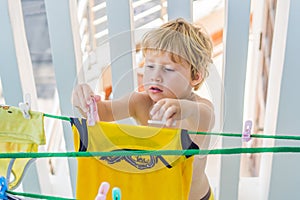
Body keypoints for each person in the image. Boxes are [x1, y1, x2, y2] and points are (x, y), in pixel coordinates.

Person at [72, 18, 215, 200]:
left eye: (168, 69)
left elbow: (204, 115)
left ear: (195, 76)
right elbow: (102, 112)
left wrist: (182, 108)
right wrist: (83, 99)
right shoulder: (141, 102)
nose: (155, 76)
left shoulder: (199, 108)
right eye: (150, 66)